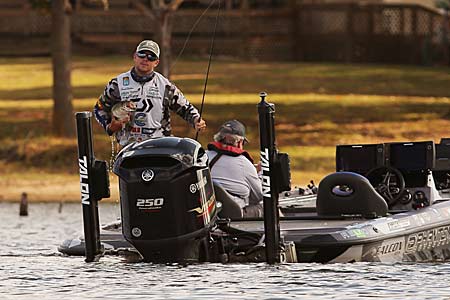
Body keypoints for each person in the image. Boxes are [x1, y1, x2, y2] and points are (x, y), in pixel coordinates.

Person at [94, 40, 206, 146]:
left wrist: (196, 120)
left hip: (159, 147)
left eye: (151, 56)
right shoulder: (118, 83)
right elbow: (99, 108)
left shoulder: (165, 85)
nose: (146, 59)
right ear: (135, 57)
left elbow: (185, 108)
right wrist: (110, 127)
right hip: (127, 147)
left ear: (156, 62)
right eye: (142, 54)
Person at [206, 120, 263, 218]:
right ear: (240, 142)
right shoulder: (244, 163)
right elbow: (258, 196)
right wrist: (260, 174)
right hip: (235, 216)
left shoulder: (204, 156)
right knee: (268, 207)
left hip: (209, 214)